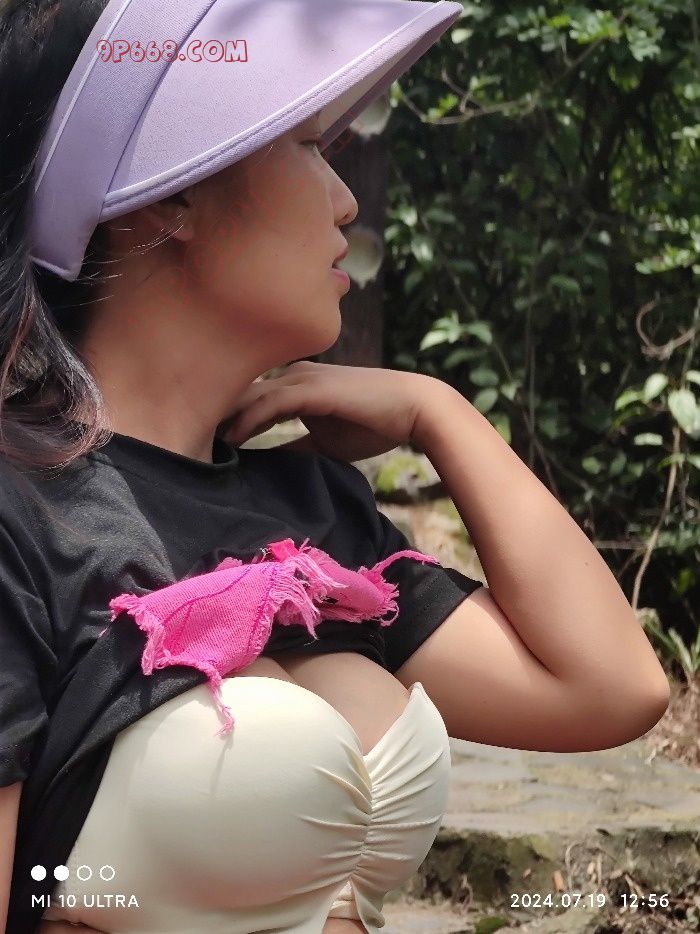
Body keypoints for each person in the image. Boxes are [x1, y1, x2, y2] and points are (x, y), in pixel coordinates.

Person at [0, 0, 671, 932]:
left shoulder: (316, 512)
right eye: (310, 145)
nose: (345, 200)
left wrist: (438, 413)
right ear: (166, 197)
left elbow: (611, 687)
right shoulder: (23, 516)